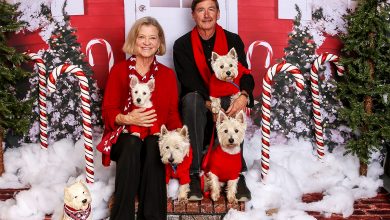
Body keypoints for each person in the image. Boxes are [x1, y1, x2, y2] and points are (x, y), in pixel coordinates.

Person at [97, 16, 182, 220]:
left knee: (154, 145)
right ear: (133, 41)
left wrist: (178, 136)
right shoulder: (119, 71)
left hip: (152, 136)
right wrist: (128, 118)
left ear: (159, 42)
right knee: (132, 143)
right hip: (125, 137)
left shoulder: (167, 75)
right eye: (141, 37)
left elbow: (171, 114)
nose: (146, 42)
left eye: (152, 38)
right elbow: (108, 111)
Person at [173, 0, 254, 201]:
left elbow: (245, 73)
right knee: (191, 100)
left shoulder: (233, 40)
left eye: (211, 9)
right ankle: (193, 175)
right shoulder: (182, 45)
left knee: (234, 102)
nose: (206, 15)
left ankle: (236, 173)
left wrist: (244, 95)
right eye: (201, 10)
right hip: (199, 102)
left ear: (218, 13)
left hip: (227, 99)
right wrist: (212, 104)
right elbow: (189, 81)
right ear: (193, 15)